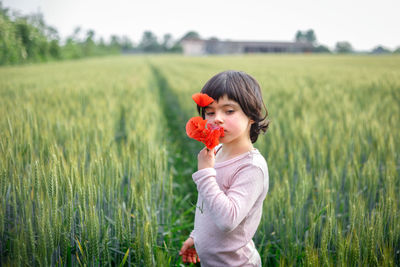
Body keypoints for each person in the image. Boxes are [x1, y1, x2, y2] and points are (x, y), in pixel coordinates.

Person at [179, 70, 270, 266]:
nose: (216, 119)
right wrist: (197, 237)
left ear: (252, 115)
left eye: (229, 111)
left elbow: (227, 220)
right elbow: (207, 205)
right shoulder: (216, 151)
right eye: (210, 112)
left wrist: (205, 173)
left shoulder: (251, 167)